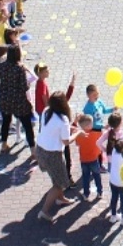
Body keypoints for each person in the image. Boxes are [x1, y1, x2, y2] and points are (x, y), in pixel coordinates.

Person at [36, 91, 81, 222]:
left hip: (41, 150)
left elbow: (52, 129)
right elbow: (66, 141)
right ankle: (44, 211)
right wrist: (78, 133)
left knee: (56, 177)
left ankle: (60, 199)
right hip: (53, 155)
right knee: (60, 184)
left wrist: (69, 128)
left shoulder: (46, 111)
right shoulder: (63, 119)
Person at [0, 44, 36, 153]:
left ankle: (3, 144)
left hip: (5, 99)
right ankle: (33, 151)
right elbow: (24, 87)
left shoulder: (0, 66)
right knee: (27, 126)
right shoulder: (20, 68)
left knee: (6, 122)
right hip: (19, 102)